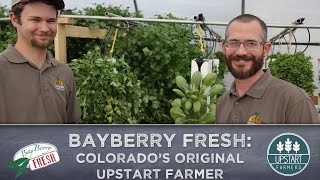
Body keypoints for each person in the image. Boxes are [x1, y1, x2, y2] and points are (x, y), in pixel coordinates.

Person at [216, 14, 319, 124]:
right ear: (224, 48)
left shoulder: (293, 100)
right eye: (233, 43)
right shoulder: (222, 102)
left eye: (251, 43)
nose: (241, 52)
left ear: (266, 49)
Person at [0, 0, 81, 123]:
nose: (45, 28)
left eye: (51, 21)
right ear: (15, 19)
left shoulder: (64, 72)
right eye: (35, 20)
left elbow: (72, 131)